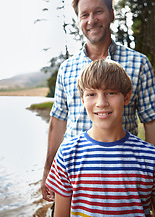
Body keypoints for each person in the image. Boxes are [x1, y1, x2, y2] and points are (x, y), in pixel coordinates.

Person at [41, 0, 155, 202]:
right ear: (79, 20)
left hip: (124, 178)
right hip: (74, 176)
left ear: (111, 14)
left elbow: (151, 120)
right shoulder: (66, 69)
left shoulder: (139, 63)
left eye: (98, 12)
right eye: (84, 15)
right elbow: (58, 121)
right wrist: (48, 169)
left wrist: (151, 176)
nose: (91, 20)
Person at [45, 59, 155, 217]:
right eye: (91, 94)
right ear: (83, 100)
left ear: (126, 97)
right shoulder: (67, 154)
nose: (101, 103)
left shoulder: (149, 156)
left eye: (111, 92)